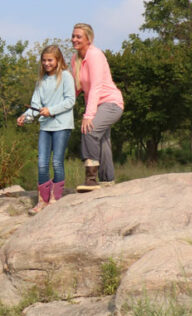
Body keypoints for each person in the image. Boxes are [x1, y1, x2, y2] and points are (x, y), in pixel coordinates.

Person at [18, 45, 75, 214]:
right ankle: (42, 200)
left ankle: (55, 198)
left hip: (62, 125)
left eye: (50, 60)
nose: (47, 63)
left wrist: (51, 110)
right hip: (45, 126)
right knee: (42, 163)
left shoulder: (65, 76)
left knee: (57, 162)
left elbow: (70, 101)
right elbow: (34, 106)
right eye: (44, 60)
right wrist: (25, 117)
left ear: (58, 60)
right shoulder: (41, 81)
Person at [70, 22, 124, 192]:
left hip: (111, 103)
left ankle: (91, 180)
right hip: (97, 105)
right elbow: (76, 88)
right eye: (73, 36)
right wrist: (56, 107)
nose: (74, 39)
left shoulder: (95, 55)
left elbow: (96, 87)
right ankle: (107, 181)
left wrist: (88, 115)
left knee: (90, 131)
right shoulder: (75, 59)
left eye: (78, 36)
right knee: (103, 142)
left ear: (89, 39)